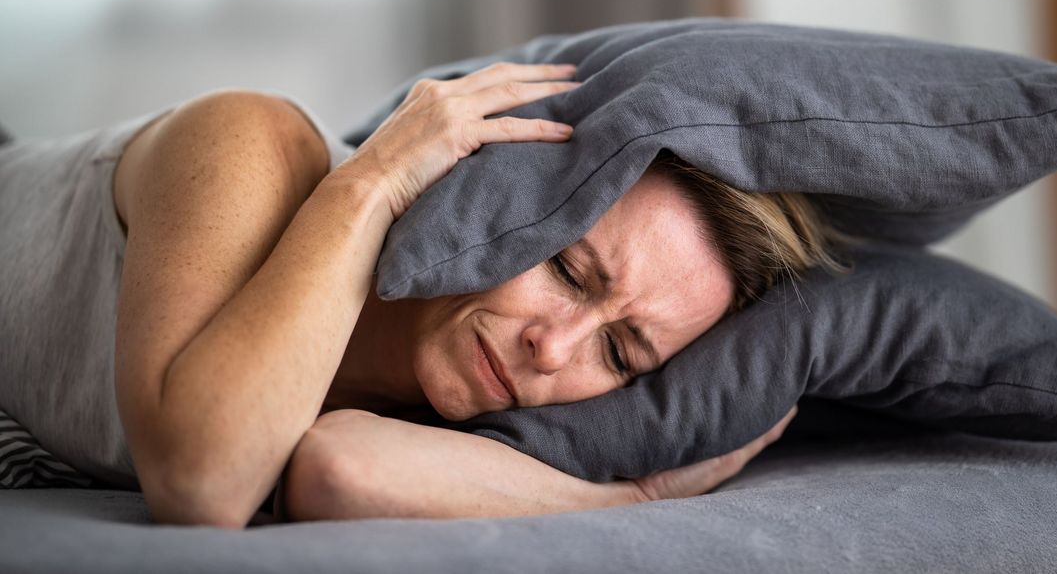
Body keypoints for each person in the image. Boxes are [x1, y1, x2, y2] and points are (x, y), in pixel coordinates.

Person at [0, 62, 849, 528]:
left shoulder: (449, 413)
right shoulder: (253, 143)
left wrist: (636, 499)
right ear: (503, 196)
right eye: (566, 271)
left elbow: (342, 472)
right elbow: (202, 482)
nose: (552, 351)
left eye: (619, 353)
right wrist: (373, 182)